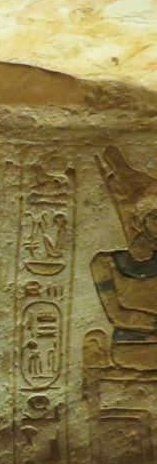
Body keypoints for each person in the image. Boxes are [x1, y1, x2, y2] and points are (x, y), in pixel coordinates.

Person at [92, 145, 157, 370]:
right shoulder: (104, 264)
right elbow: (117, 315)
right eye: (156, 218)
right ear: (137, 222)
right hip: (131, 348)